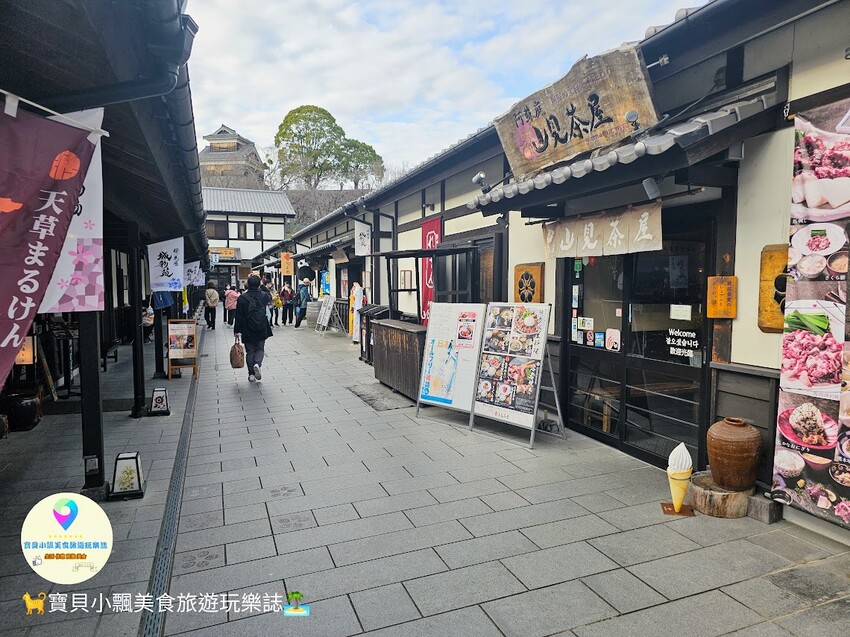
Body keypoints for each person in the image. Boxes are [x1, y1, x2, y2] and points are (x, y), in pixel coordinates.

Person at [233, 275, 272, 382]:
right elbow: (270, 297)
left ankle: (251, 374)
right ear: (259, 284)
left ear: (248, 285)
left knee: (250, 351)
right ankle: (257, 364)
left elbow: (239, 316)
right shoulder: (264, 296)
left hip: (247, 327)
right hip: (262, 326)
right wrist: (262, 287)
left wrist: (236, 330)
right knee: (260, 348)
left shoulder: (242, 298)